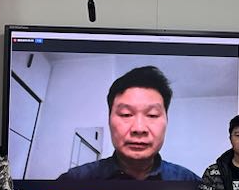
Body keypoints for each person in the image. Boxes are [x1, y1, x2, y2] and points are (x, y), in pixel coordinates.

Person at [58, 66, 199, 183]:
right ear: (109, 120)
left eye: (152, 115)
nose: (139, 128)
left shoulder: (191, 183)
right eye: (126, 114)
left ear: (166, 121)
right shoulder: (74, 181)